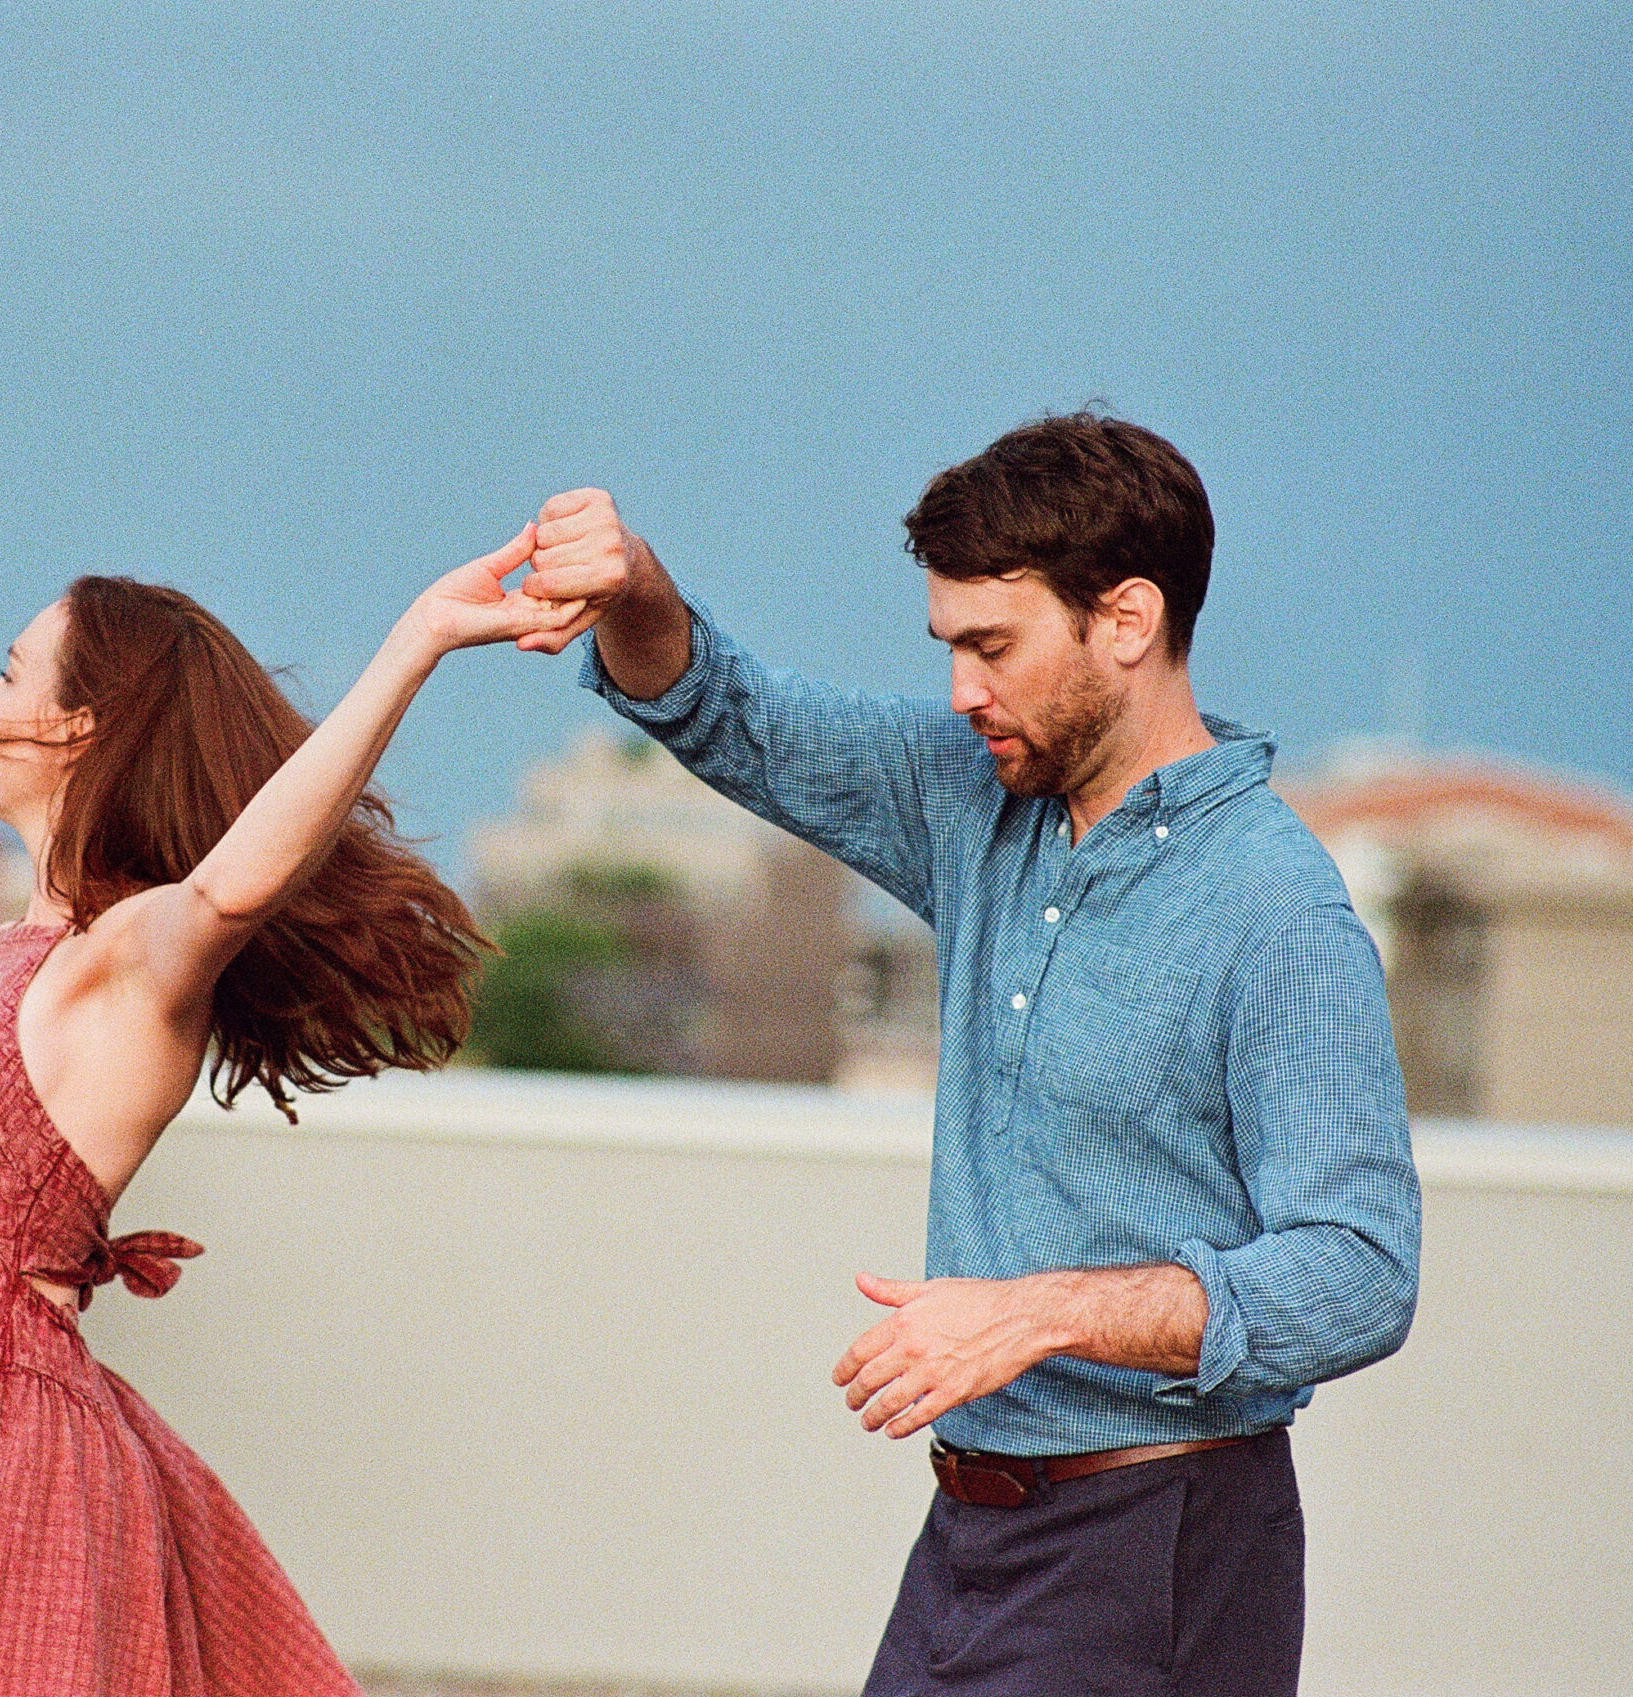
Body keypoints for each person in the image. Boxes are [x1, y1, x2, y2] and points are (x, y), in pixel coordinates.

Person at [515, 414, 1421, 1697]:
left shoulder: (1276, 908)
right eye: (947, 648)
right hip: (969, 1535)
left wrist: (1039, 1311)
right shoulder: (972, 796)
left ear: (1125, 620)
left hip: (1160, 1542)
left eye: (991, 647)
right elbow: (730, 713)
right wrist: (636, 587)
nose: (960, 691)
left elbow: (1362, 1271)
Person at [0, 529, 582, 1696]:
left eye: (9, 671)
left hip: (4, 1472)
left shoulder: (127, 964)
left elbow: (232, 883)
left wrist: (414, 642)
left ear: (80, 724)